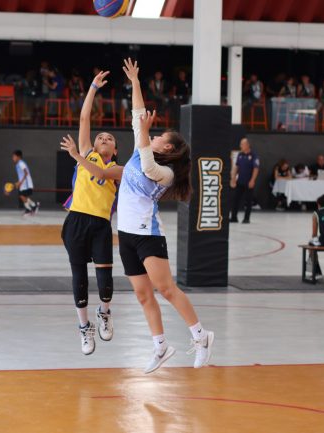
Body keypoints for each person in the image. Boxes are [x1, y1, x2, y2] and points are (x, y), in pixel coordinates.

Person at [119, 58, 213, 373]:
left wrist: (144, 133)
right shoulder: (140, 147)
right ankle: (160, 346)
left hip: (148, 235)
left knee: (167, 289)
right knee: (143, 295)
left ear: (169, 149)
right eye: (154, 134)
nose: (155, 136)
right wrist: (135, 82)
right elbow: (138, 114)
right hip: (126, 233)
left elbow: (148, 167)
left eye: (160, 137)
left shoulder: (167, 173)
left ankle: (201, 336)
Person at [58, 69, 123, 355]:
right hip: (76, 220)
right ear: (93, 144)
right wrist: (93, 88)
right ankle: (84, 327)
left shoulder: (117, 169)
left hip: (100, 225)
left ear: (115, 149)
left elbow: (99, 173)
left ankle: (104, 312)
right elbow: (85, 118)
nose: (104, 138)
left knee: (106, 281)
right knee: (79, 277)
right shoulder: (87, 152)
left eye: (109, 138)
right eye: (101, 137)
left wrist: (75, 155)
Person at [230, 138, 260, 223]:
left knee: (248, 201)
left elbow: (256, 169)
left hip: (249, 182)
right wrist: (233, 179)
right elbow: (236, 167)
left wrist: (252, 180)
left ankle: (246, 218)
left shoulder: (254, 156)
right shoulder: (240, 155)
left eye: (242, 144)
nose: (240, 146)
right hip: (240, 181)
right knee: (235, 199)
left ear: (247, 145)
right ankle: (234, 217)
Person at [11, 150, 39, 215]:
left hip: (26, 184)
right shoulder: (18, 164)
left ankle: (29, 209)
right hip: (23, 184)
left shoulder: (21, 163)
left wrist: (20, 182)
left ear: (18, 157)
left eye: (14, 156)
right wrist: (18, 182)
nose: (13, 158)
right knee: (23, 196)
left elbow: (26, 173)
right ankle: (34, 206)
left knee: (22, 196)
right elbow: (21, 175)